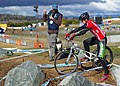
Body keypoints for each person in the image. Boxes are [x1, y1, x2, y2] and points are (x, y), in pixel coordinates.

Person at [65, 12, 109, 82]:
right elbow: (80, 28)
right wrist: (70, 33)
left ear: (85, 19)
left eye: (82, 20)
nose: (81, 22)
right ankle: (88, 57)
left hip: (102, 39)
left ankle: (106, 74)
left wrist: (74, 35)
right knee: (85, 42)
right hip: (97, 38)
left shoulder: (90, 23)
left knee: (100, 57)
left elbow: (83, 32)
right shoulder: (87, 23)